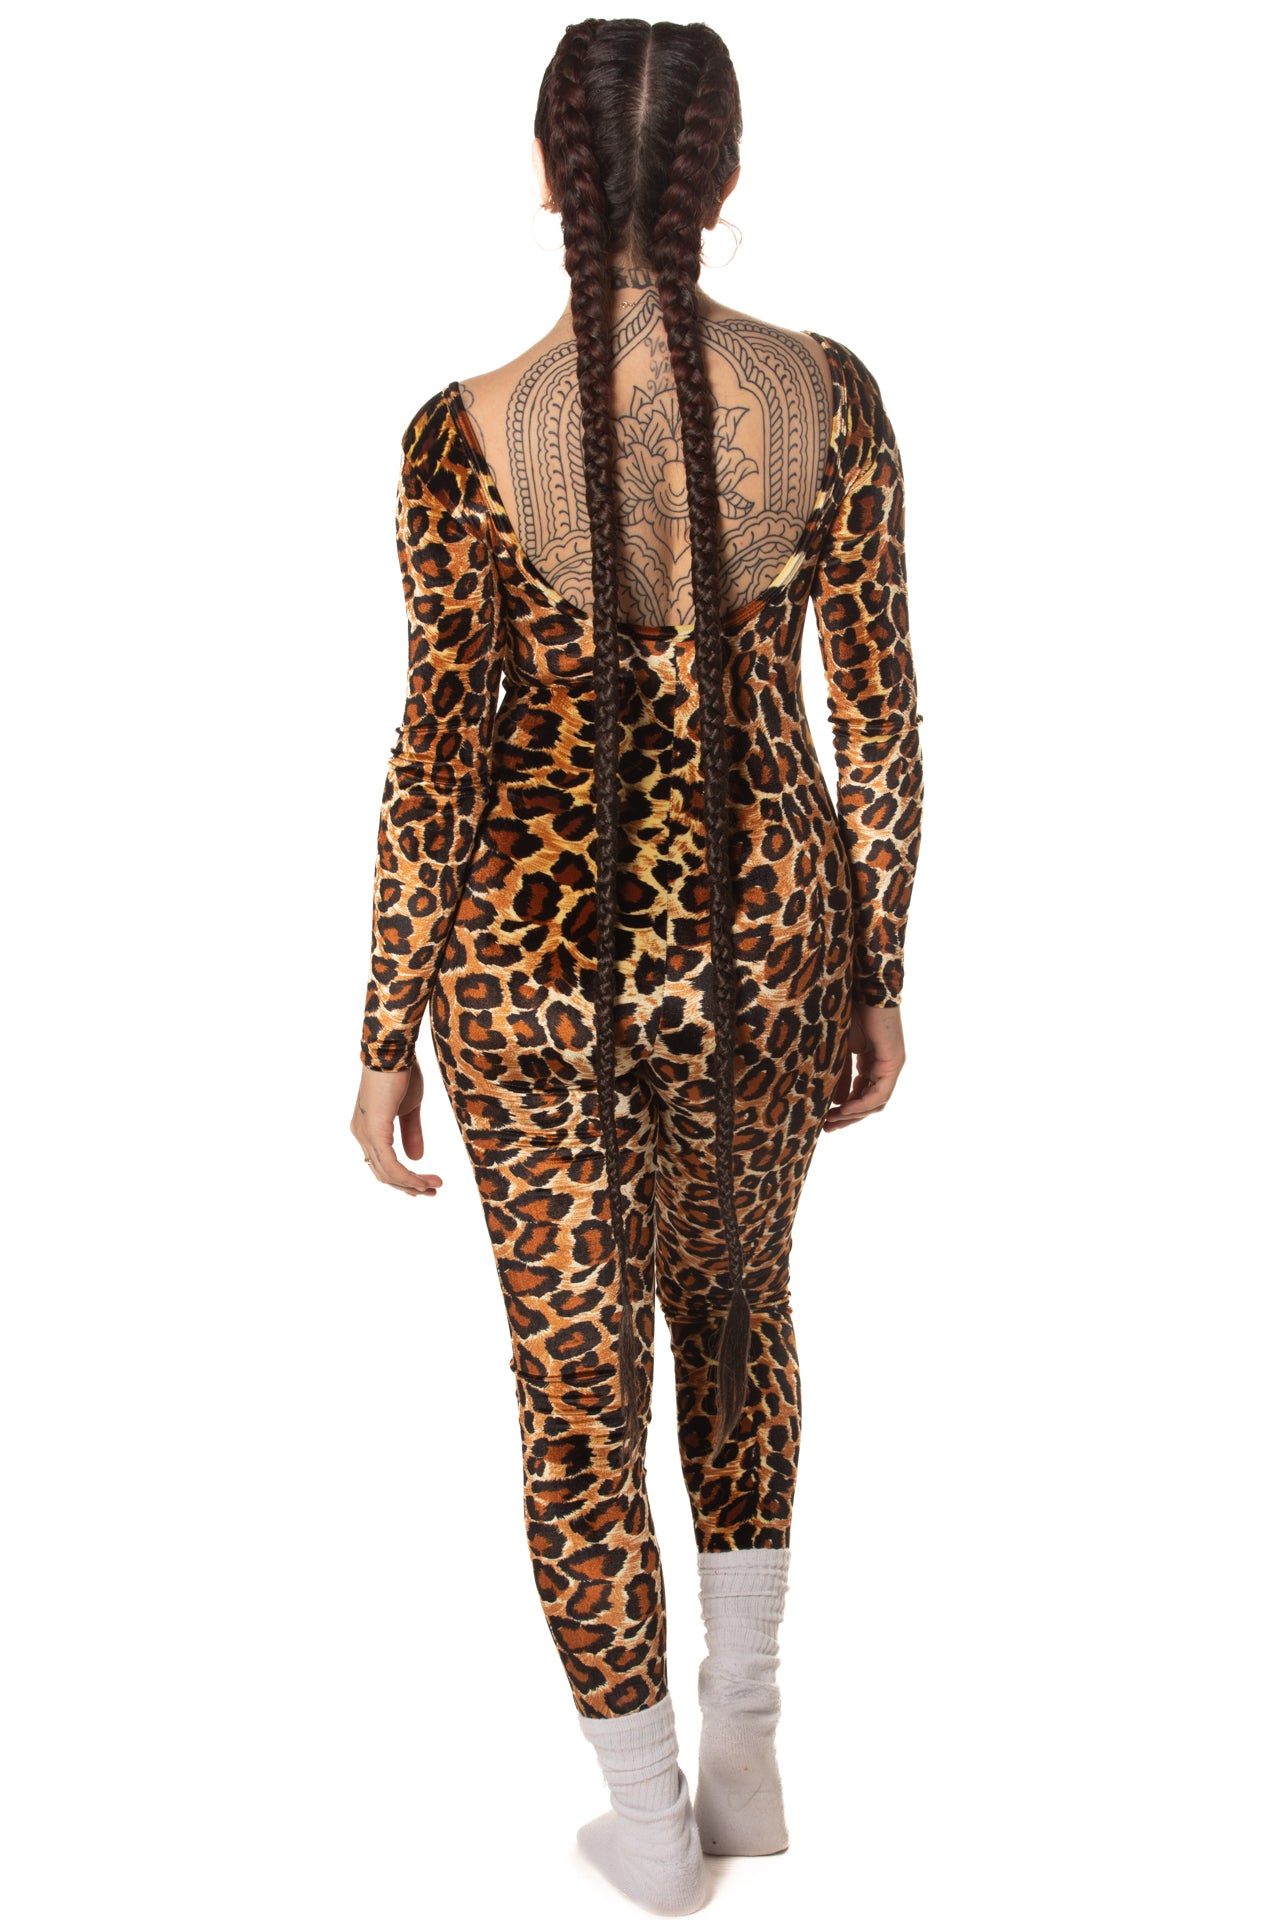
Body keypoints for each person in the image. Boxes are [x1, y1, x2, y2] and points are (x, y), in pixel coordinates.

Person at [349, 16, 924, 1914]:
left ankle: (653, 1826)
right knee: (741, 1323)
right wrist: (879, 964)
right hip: (768, 949)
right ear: (723, 179)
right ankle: (748, 1746)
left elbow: (439, 753)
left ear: (549, 171)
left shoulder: (460, 435)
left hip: (527, 977)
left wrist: (384, 1020)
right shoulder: (829, 400)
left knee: (577, 1390)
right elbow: (880, 718)